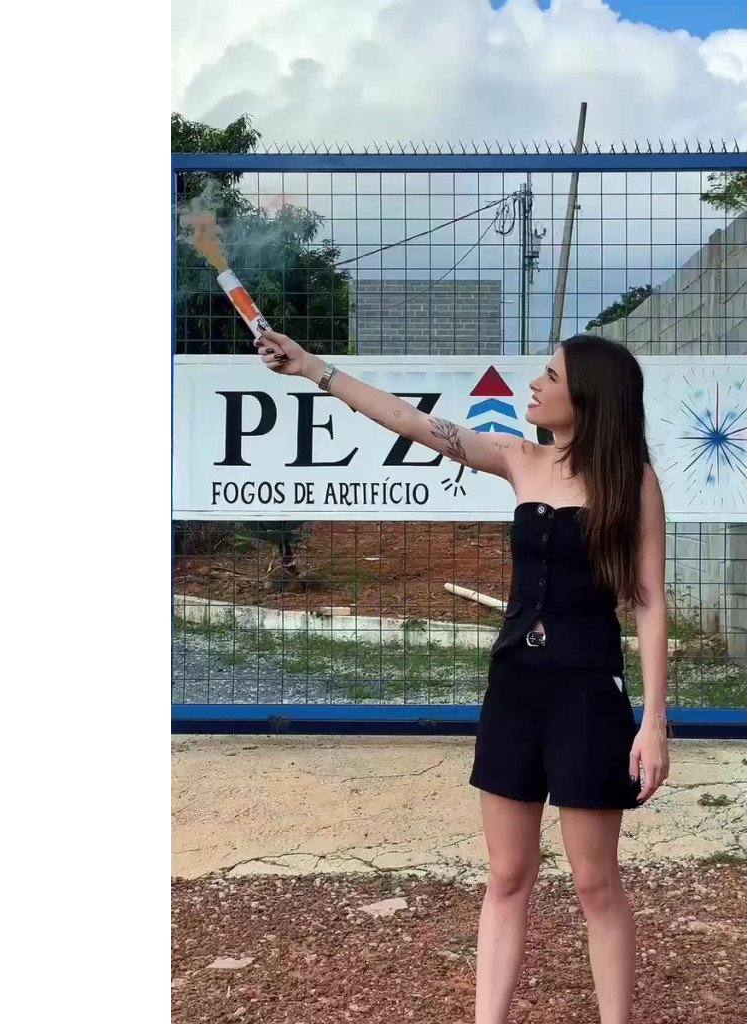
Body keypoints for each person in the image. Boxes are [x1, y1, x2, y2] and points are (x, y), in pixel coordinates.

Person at [255, 328, 670, 1024]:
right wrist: (312, 369)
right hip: (514, 692)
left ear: (590, 396)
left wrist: (653, 723)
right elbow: (409, 420)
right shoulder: (518, 457)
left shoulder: (634, 484)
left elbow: (650, 602)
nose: (534, 383)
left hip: (588, 695)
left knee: (596, 884)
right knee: (506, 875)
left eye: (550, 375)